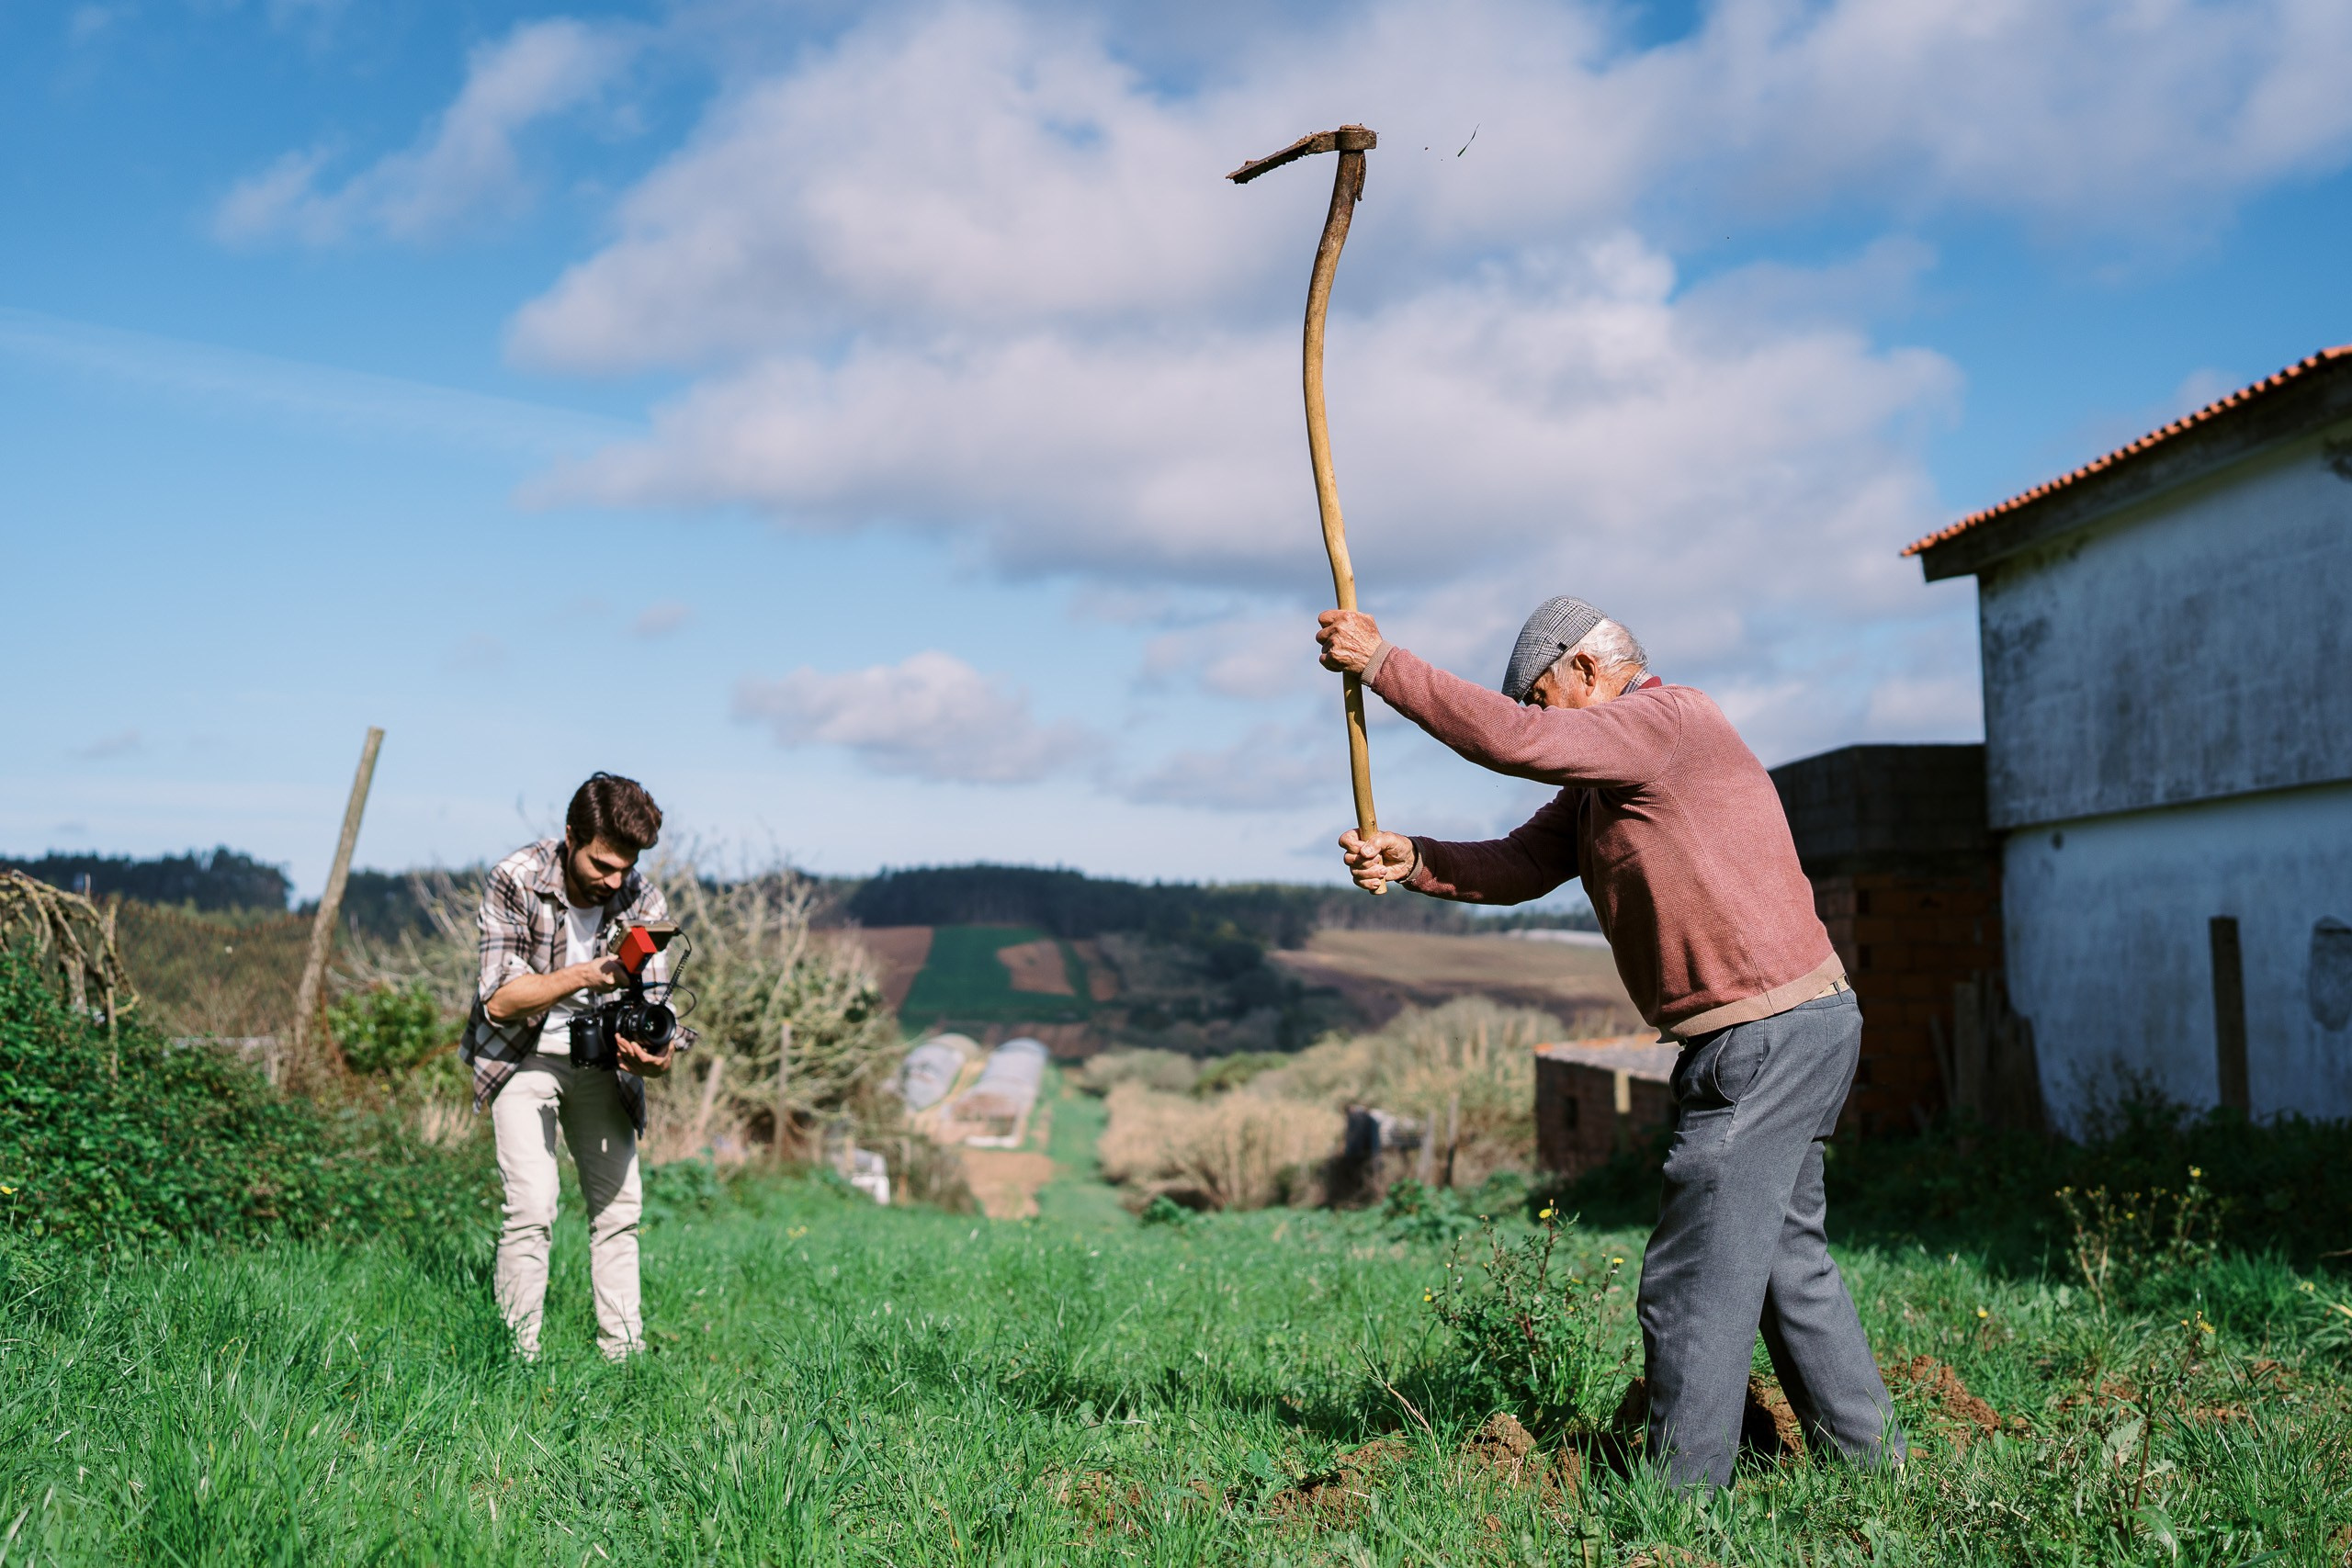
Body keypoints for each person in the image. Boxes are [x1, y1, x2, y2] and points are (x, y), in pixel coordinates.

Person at [1316, 597, 1903, 1489]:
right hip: (1781, 1028)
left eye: (1548, 699)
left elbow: (1511, 740)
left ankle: (1678, 1499)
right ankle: (1867, 1468)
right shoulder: (1607, 784)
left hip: (1765, 1034)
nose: (1547, 723)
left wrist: (1384, 665)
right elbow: (1517, 865)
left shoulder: (1664, 725)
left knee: (1694, 1274)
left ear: (1585, 668)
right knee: (1786, 1264)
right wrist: (1415, 859)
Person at [461, 773, 682, 1361]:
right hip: (521, 1054)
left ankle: (624, 1358)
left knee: (620, 1211)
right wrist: (588, 973)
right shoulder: (516, 878)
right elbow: (498, 1002)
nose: (614, 881)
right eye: (602, 865)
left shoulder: (644, 899)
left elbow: (656, 1004)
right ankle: (514, 1356)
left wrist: (656, 1056)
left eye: (625, 868)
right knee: (533, 1205)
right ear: (570, 837)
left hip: (604, 1066)